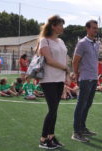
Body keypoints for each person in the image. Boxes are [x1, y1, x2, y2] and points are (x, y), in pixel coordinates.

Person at [38, 15, 69, 149]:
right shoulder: (44, 41)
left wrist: (66, 73)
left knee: (55, 110)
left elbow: (64, 59)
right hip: (48, 79)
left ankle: (51, 137)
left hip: (59, 79)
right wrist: (65, 68)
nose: (62, 27)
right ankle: (43, 140)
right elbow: (49, 60)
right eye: (60, 25)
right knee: (52, 110)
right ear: (53, 26)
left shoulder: (61, 41)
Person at [72, 20, 99, 142]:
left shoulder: (96, 44)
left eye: (96, 28)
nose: (95, 30)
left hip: (94, 79)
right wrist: (77, 75)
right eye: (93, 28)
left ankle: (82, 128)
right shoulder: (82, 43)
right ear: (87, 29)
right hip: (85, 79)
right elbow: (75, 61)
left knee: (87, 105)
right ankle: (76, 132)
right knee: (81, 105)